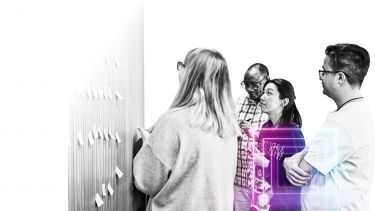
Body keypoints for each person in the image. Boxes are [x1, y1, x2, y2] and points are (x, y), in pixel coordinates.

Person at [133, 48, 240, 211]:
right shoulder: (229, 127)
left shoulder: (174, 121)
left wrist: (149, 144)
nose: (179, 70)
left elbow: (147, 182)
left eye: (182, 65)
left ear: (191, 74)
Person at [283, 43, 375, 210]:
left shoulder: (342, 124)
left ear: (340, 78)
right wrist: (294, 159)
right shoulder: (354, 111)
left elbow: (300, 173)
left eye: (324, 72)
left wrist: (288, 161)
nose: (321, 77)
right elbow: (310, 152)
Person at [257, 78, 305, 210]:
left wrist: (266, 164)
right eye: (263, 92)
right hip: (263, 201)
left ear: (284, 102)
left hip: (285, 205)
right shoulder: (265, 128)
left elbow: (298, 176)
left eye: (269, 93)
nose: (262, 97)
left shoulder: (293, 133)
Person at [234, 63, 270, 211]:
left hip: (263, 184)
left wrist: (253, 131)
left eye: (254, 85)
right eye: (246, 84)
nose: (249, 89)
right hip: (238, 181)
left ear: (266, 80)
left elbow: (279, 143)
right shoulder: (238, 103)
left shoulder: (274, 105)